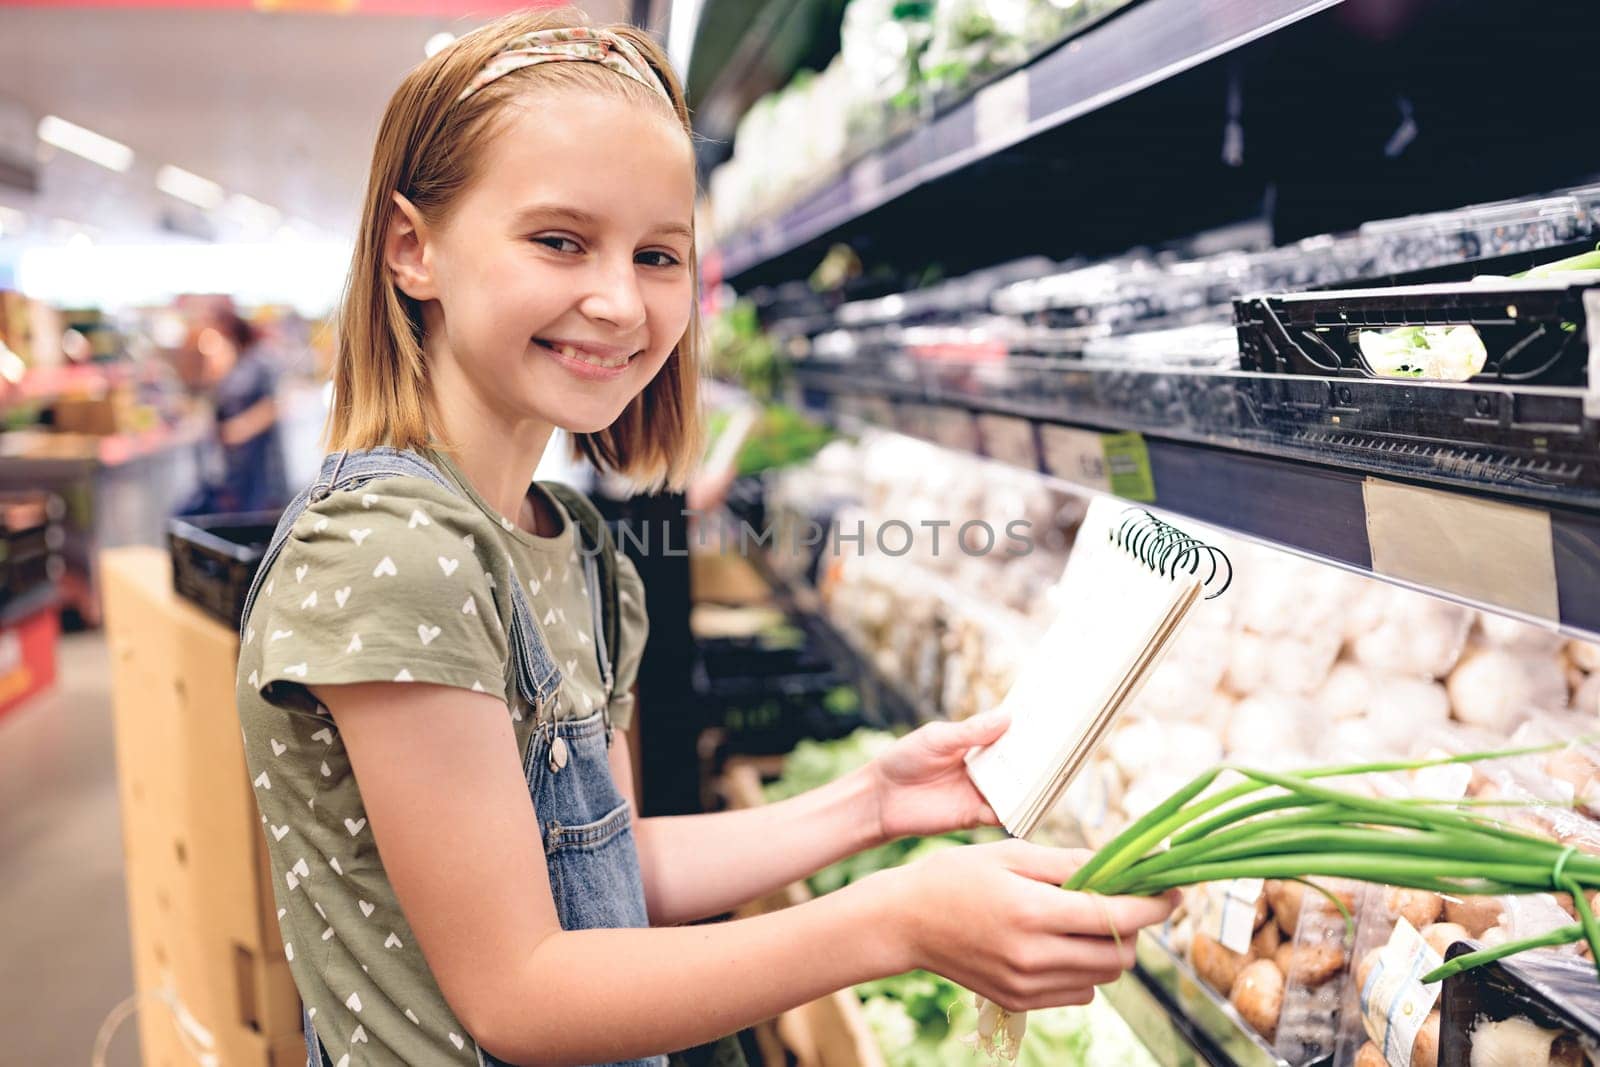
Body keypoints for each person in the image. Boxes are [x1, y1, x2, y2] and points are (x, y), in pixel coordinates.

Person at [234, 11, 1176, 1067]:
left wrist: (873, 804)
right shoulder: (393, 554)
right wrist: (894, 921)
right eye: (558, 240)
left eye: (658, 254)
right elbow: (522, 991)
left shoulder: (575, 546)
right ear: (414, 247)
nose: (618, 300)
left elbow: (604, 865)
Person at [200, 309, 290, 513]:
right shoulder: (231, 364)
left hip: (259, 462)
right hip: (234, 467)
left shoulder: (259, 362)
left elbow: (272, 406)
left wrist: (239, 430)